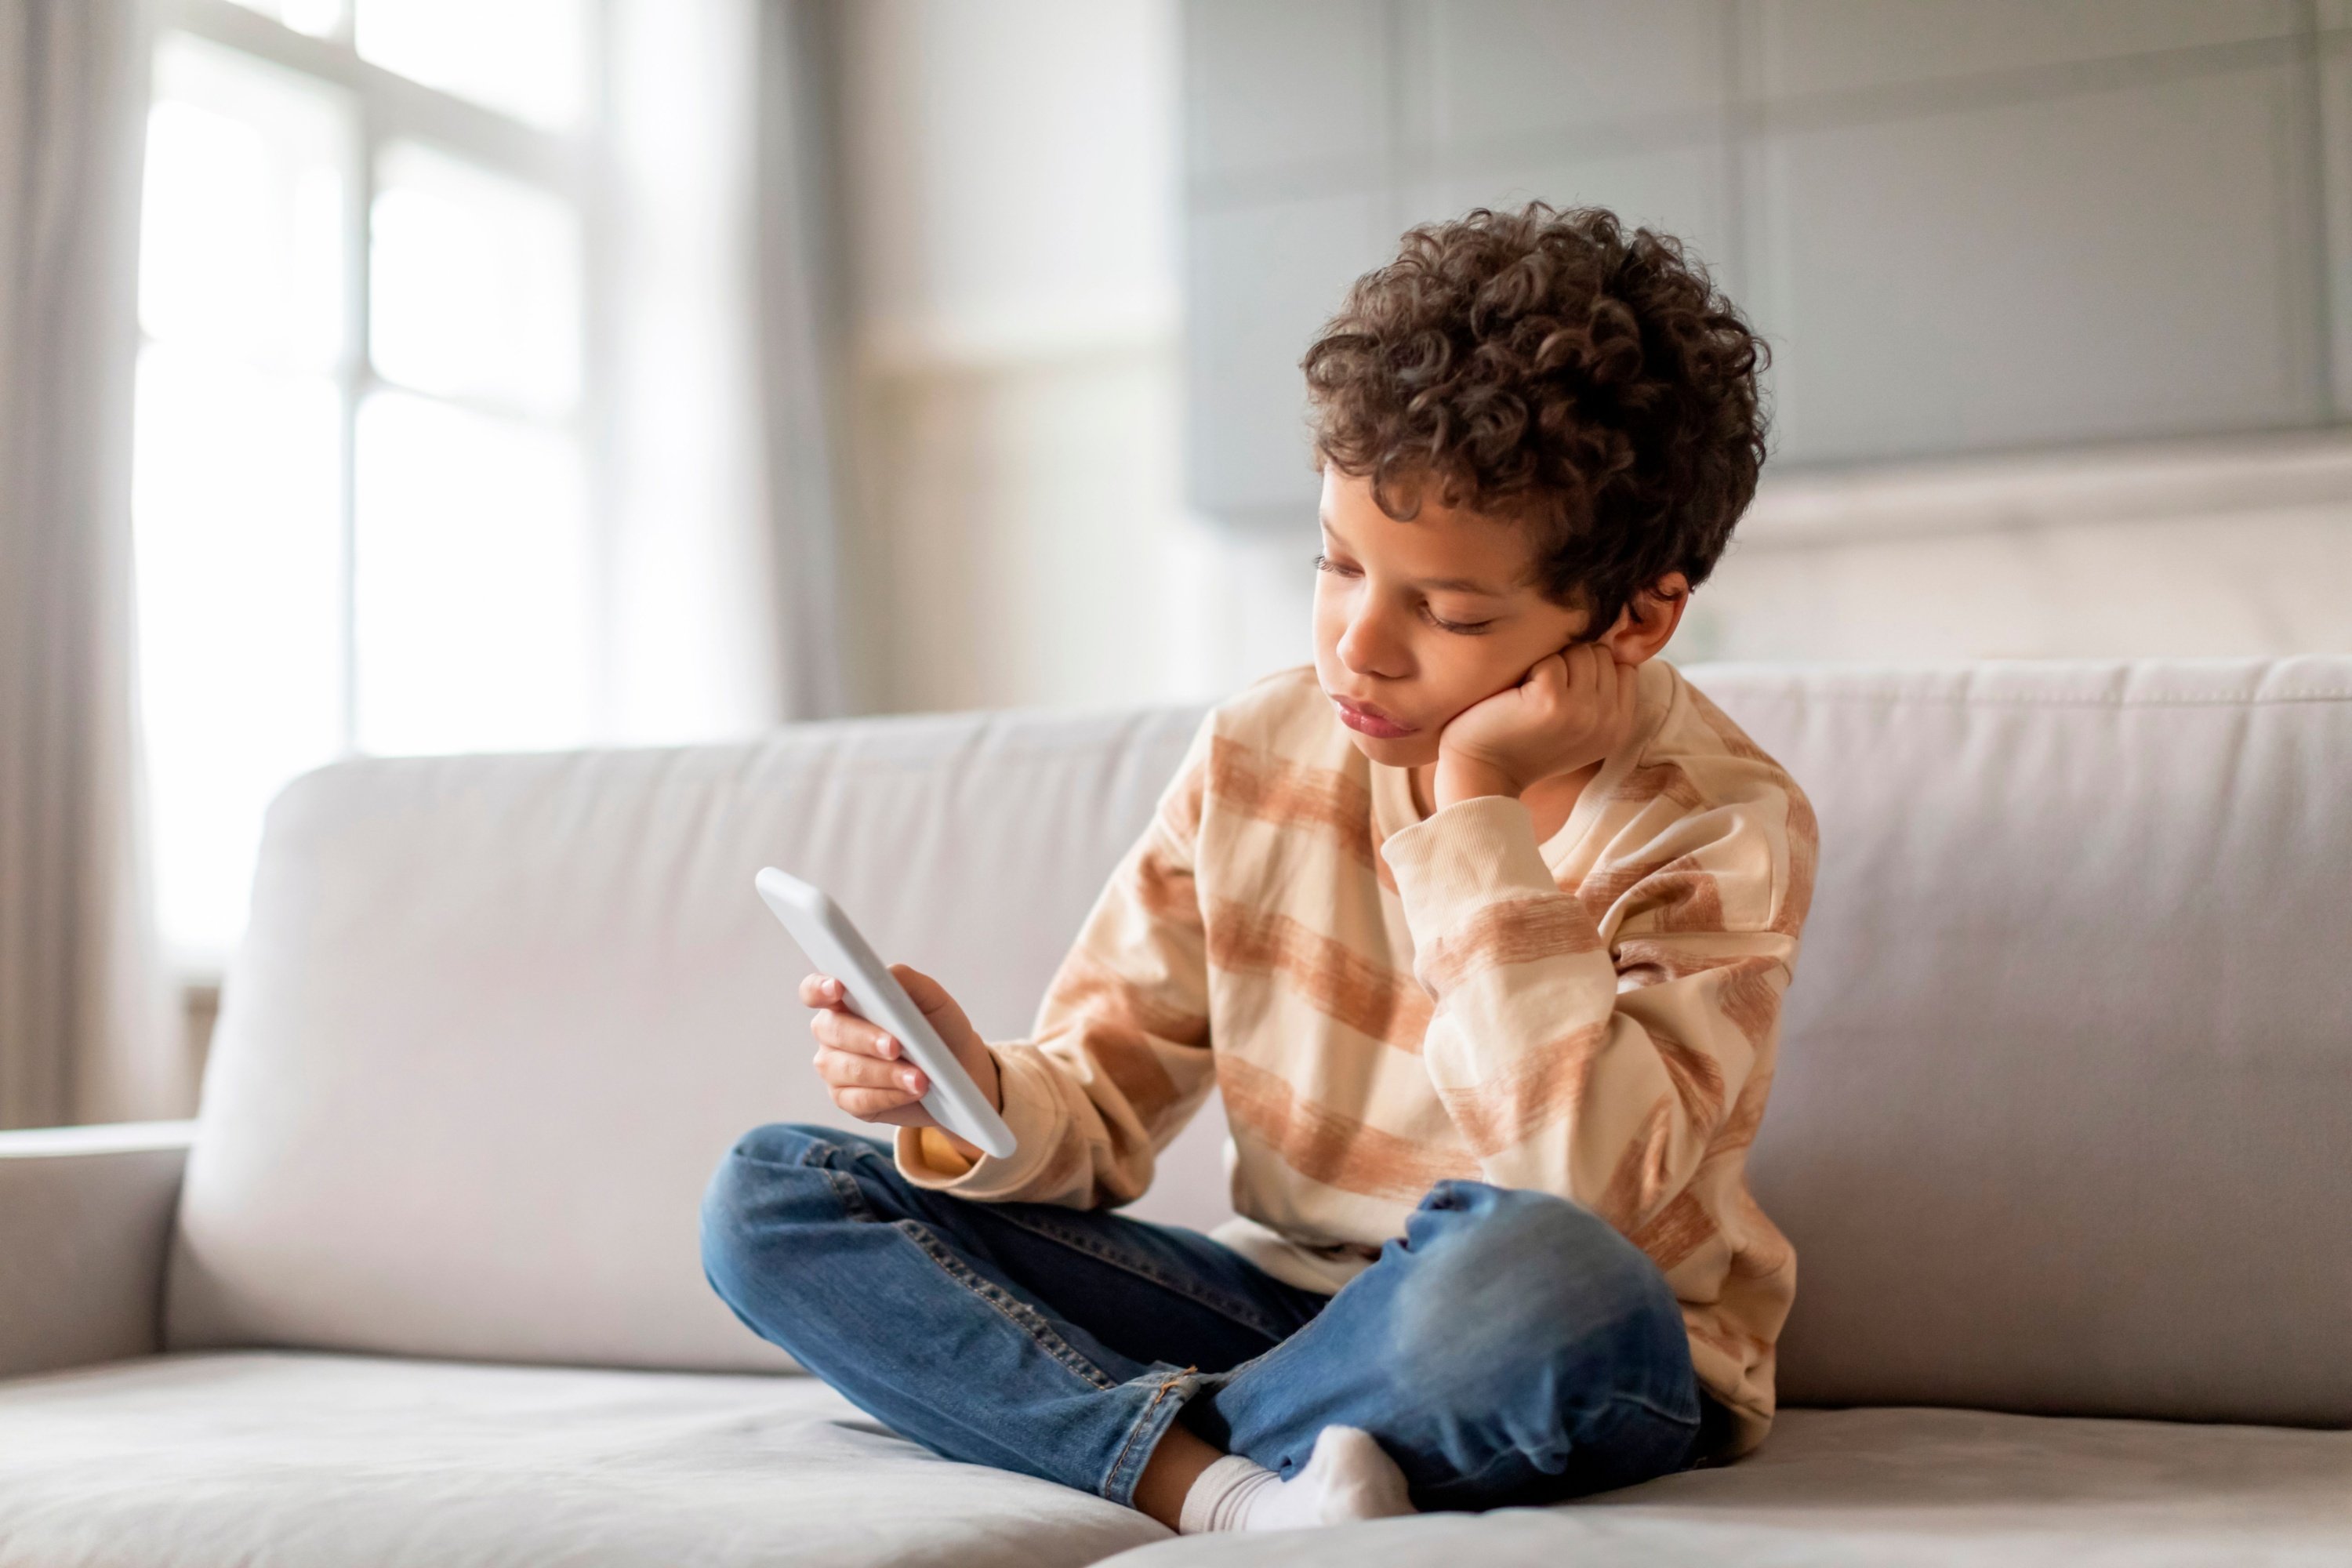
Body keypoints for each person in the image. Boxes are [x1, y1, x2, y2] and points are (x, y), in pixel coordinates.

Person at [699, 202, 1816, 1535]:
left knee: (1549, 1281)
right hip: (1274, 1306)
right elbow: (1103, 1104)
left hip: (1539, 1325)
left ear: (1636, 617)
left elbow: (1584, 1189)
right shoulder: (1260, 750)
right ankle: (1228, 1490)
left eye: (1447, 612)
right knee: (776, 1195)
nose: (1358, 645)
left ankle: (1099, 1429)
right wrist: (975, 1087)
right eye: (1338, 564)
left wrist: (1473, 811)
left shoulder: (1719, 824)